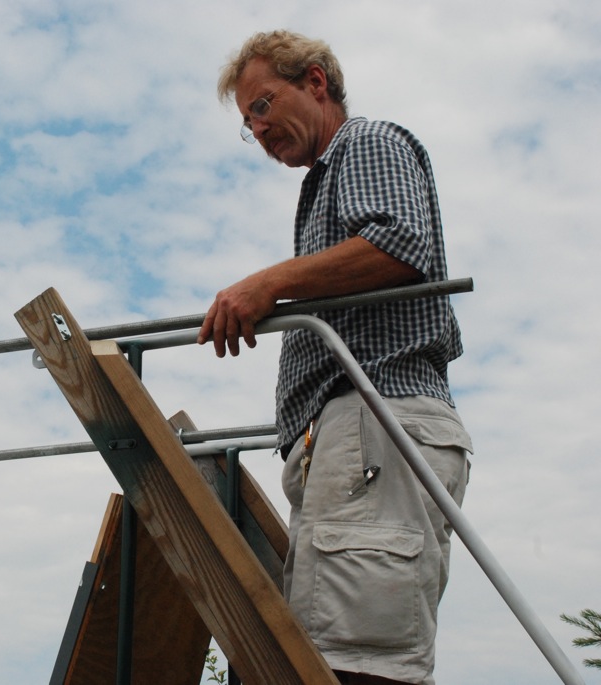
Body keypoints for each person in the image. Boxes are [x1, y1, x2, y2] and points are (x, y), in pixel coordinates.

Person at [198, 30, 473, 685]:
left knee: (356, 664)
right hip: (358, 443)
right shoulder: (326, 179)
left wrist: (268, 283)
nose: (258, 129)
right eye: (247, 123)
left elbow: (400, 243)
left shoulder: (365, 143)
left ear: (315, 82)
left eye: (262, 105)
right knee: (329, 653)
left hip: (375, 423)